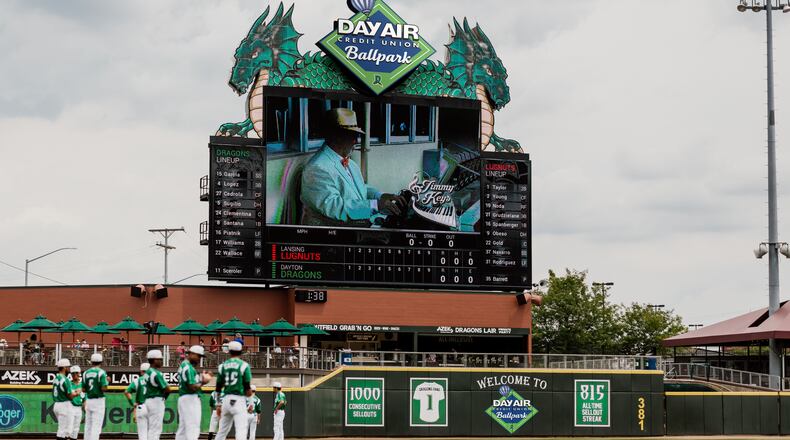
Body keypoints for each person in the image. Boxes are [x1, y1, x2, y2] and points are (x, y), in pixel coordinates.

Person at [300, 108, 405, 227]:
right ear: (336, 136)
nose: (355, 141)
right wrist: (375, 205)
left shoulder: (349, 162)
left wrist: (379, 196)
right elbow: (336, 209)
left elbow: (359, 189)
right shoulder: (317, 168)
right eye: (352, 135)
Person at [215, 341, 252, 440]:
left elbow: (218, 387)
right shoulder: (244, 365)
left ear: (229, 351)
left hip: (226, 400)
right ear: (241, 351)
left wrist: (218, 404)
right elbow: (247, 388)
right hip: (238, 399)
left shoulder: (222, 366)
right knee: (241, 430)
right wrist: (251, 402)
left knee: (222, 432)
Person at [176, 345, 212, 440]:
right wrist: (203, 382)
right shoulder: (188, 367)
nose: (199, 359)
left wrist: (201, 379)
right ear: (191, 354)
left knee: (183, 428)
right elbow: (192, 387)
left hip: (184, 397)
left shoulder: (184, 365)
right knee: (193, 427)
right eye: (198, 356)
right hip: (190, 398)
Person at [142, 350, 170, 440]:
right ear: (154, 360)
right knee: (156, 428)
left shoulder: (147, 372)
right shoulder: (156, 373)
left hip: (148, 400)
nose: (161, 361)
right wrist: (164, 398)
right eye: (159, 359)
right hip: (156, 401)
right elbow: (168, 389)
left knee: (151, 427)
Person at [82, 353, 109, 440]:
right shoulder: (101, 372)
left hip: (89, 400)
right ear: (101, 361)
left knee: (88, 425)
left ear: (91, 361)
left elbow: (83, 389)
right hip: (98, 400)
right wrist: (107, 382)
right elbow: (104, 388)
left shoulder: (86, 373)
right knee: (96, 426)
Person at [53, 358, 79, 440]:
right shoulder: (65, 379)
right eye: (68, 367)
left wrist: (73, 391)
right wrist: (77, 393)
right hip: (64, 405)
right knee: (63, 430)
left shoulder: (56, 377)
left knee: (62, 429)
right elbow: (70, 396)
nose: (69, 369)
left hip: (57, 405)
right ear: (64, 367)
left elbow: (64, 391)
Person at [123, 363, 150, 440]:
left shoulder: (137, 381)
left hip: (141, 407)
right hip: (152, 407)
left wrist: (132, 404)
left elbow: (126, 392)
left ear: (141, 371)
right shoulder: (154, 380)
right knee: (152, 433)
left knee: (142, 434)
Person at [68, 365, 85, 440]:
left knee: (76, 428)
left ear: (79, 373)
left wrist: (86, 413)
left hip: (79, 408)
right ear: (71, 374)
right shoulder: (68, 384)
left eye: (76, 373)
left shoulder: (83, 385)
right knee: (69, 428)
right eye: (73, 373)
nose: (75, 375)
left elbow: (85, 400)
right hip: (70, 407)